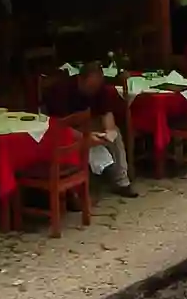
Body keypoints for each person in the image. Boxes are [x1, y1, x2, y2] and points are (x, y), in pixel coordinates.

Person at [42, 63, 137, 198]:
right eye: (91, 87)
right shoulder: (63, 90)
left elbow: (106, 113)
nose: (94, 90)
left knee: (116, 135)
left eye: (96, 87)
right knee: (77, 138)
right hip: (63, 127)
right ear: (80, 80)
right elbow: (59, 124)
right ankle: (74, 192)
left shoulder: (100, 89)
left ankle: (122, 181)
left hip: (89, 123)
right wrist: (86, 136)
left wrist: (109, 131)